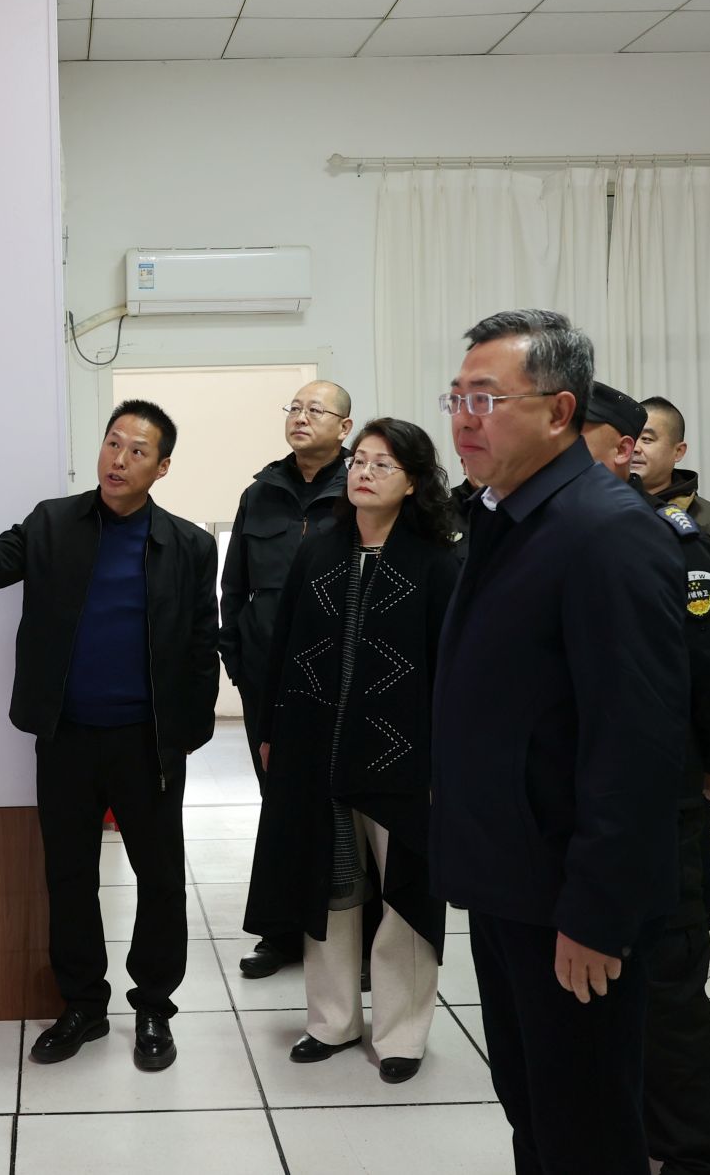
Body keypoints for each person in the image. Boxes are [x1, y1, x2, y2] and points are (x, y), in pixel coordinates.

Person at [431, 310, 690, 1175]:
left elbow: (636, 744)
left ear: (559, 410)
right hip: (509, 878)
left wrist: (597, 913)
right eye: (457, 398)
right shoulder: (506, 516)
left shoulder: (605, 532)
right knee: (534, 1110)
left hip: (567, 899)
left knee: (585, 1130)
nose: (464, 418)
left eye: (486, 398)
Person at [0, 402, 220, 1073]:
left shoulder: (188, 546)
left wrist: (188, 732)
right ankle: (84, 1004)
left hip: (148, 743)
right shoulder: (52, 523)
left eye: (137, 450)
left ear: (161, 467)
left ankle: (153, 1007)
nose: (119, 458)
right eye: (113, 442)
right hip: (67, 738)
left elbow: (204, 642)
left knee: (160, 880)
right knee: (69, 877)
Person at [243, 417, 460, 1084]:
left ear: (413, 482)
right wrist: (272, 732)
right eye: (359, 461)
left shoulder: (437, 562)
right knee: (331, 887)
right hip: (316, 752)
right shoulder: (319, 550)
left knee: (404, 898)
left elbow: (453, 673)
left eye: (381, 464)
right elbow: (283, 648)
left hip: (402, 758)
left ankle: (402, 1032)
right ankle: (332, 1020)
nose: (363, 473)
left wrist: (444, 763)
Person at [584, 383, 710, 1175]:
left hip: (658, 791)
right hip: (566, 804)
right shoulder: (524, 528)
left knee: (665, 976)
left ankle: (691, 1155)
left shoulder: (671, 536)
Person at [221, 380, 353, 980]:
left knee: (342, 807)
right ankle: (281, 934)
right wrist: (237, 658)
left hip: (340, 676)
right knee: (278, 804)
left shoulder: (360, 487)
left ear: (344, 427)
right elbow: (234, 587)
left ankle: (352, 938)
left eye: (315, 410)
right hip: (266, 678)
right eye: (294, 408)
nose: (301, 417)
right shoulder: (262, 492)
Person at [632, 397, 710, 638]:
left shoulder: (709, 520)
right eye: (631, 438)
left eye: (647, 439)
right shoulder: (604, 507)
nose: (635, 448)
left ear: (678, 451)